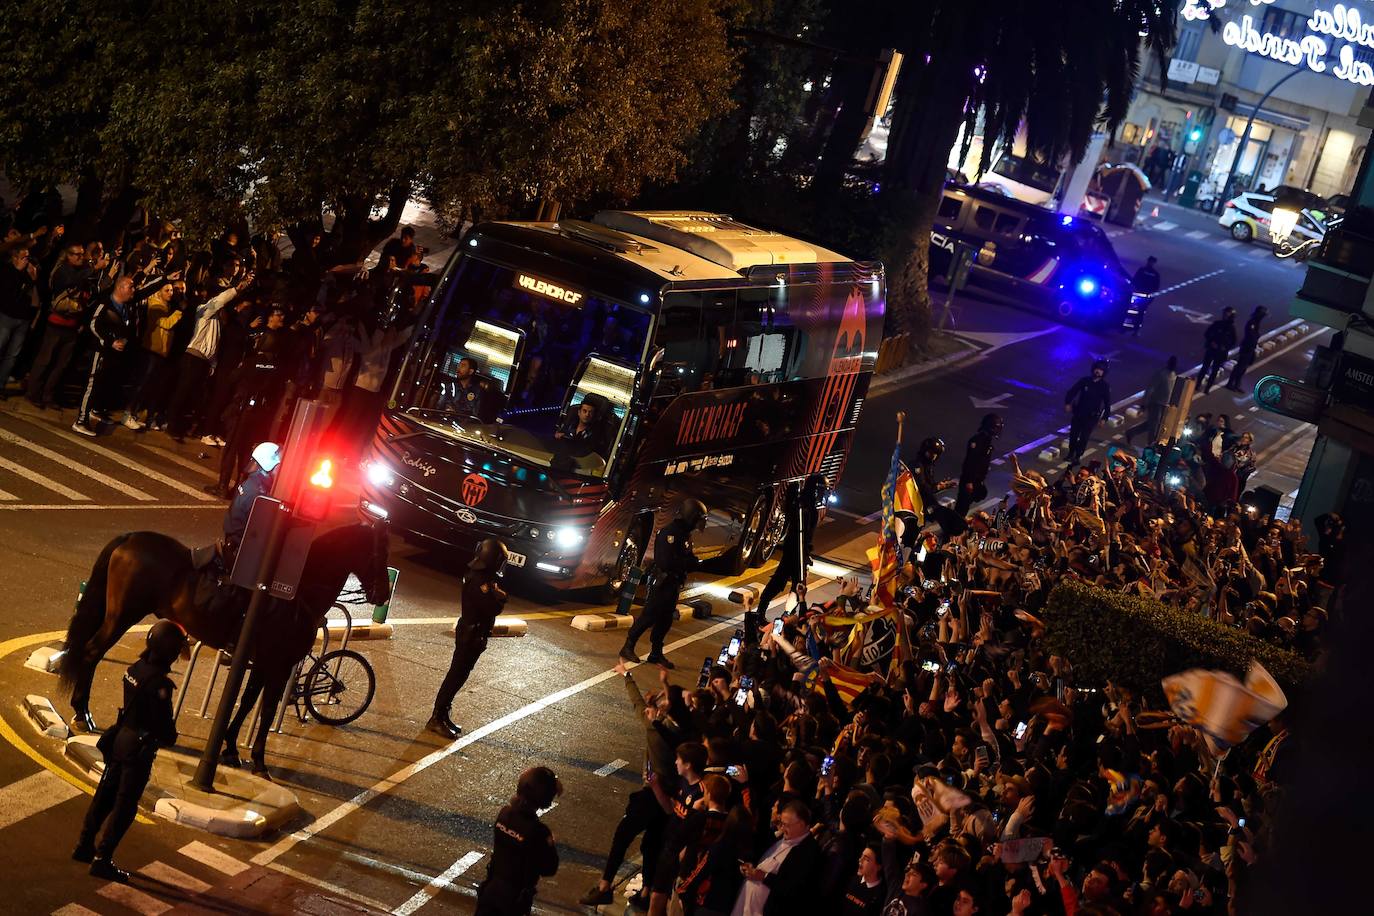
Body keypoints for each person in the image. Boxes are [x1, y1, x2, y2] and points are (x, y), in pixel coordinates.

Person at [73, 620, 185, 883]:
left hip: (121, 739)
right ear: (169, 651)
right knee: (125, 806)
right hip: (139, 749)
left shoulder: (134, 669)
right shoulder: (160, 684)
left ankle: (84, 844)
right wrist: (170, 735)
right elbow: (164, 727)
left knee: (105, 794)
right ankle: (103, 859)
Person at [428, 538, 509, 738]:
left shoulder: (480, 576)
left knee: (459, 676)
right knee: (456, 676)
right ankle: (437, 718)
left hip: (474, 633)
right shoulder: (480, 580)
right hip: (470, 635)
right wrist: (501, 598)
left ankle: (443, 715)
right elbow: (492, 607)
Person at [621, 498, 706, 668]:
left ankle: (656, 652)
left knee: (665, 619)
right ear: (690, 516)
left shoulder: (684, 535)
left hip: (673, 583)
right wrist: (688, 564)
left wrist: (692, 562)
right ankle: (628, 646)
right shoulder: (669, 534)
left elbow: (687, 556)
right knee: (649, 616)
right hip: (662, 582)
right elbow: (666, 562)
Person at [473, 766, 562, 915]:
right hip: (514, 902)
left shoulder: (504, 814)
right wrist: (550, 844)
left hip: (490, 892)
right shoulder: (538, 831)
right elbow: (549, 868)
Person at [732, 799, 824, 915]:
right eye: (781, 822)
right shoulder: (781, 838)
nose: (781, 827)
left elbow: (794, 888)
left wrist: (763, 876)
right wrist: (751, 866)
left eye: (786, 824)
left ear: (801, 824)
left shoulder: (809, 851)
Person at [755, 475, 823, 625]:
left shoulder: (811, 509)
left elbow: (807, 537)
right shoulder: (801, 506)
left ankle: (786, 615)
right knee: (780, 582)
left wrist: (806, 554)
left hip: (801, 552)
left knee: (797, 586)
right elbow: (792, 521)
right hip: (792, 551)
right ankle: (761, 612)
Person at [221, 442, 280, 568]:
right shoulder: (258, 495)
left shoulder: (252, 481)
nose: (280, 469)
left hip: (232, 542)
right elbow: (260, 533)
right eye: (278, 466)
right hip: (241, 552)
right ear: (268, 465)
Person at [1063, 359, 1112, 465]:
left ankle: (1077, 456)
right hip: (1078, 413)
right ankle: (1071, 453)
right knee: (1073, 435)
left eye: (1101, 370)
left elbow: (1107, 403)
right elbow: (1072, 391)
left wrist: (1104, 418)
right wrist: (1068, 403)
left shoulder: (1104, 386)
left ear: (1104, 372)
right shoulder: (1085, 381)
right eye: (1097, 369)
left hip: (1091, 417)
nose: (1098, 371)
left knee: (1084, 437)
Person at [956, 414, 1001, 515]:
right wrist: (969, 481)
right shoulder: (978, 441)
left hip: (977, 479)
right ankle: (955, 525)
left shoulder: (987, 440)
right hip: (970, 479)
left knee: (980, 494)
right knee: (962, 505)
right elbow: (970, 462)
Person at [1126, 355, 1177, 446]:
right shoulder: (1161, 374)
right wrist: (1144, 403)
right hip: (1156, 403)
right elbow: (1150, 388)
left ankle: (1131, 432)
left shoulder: (1173, 375)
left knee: (1152, 423)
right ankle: (1151, 445)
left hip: (1165, 404)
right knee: (1154, 426)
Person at [1225, 305, 1267, 392]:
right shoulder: (1252, 322)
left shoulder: (1256, 322)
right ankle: (1230, 384)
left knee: (1243, 368)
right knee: (1240, 367)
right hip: (1247, 347)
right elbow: (1251, 335)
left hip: (1251, 347)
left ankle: (1237, 384)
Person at [1198, 306, 1237, 394]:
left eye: (1226, 314)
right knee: (1205, 367)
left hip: (1220, 353)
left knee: (1214, 371)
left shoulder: (1231, 328)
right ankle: (1198, 385)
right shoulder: (1217, 324)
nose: (1224, 316)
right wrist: (1211, 342)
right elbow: (1207, 334)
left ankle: (1207, 388)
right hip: (1212, 349)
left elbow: (1233, 341)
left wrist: (1225, 347)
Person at [1125, 256, 1161, 335]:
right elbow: (1156, 287)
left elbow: (1134, 281)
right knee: (1140, 313)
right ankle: (1135, 329)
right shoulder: (1155, 274)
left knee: (1130, 311)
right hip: (1145, 296)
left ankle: (1127, 328)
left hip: (1137, 294)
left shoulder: (1142, 270)